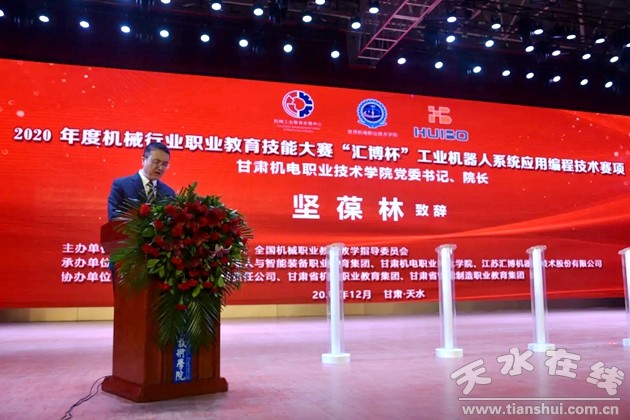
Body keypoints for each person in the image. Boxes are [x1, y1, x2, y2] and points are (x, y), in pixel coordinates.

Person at [107, 142, 176, 221]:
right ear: (143, 160)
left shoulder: (169, 193)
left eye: (164, 164)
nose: (160, 168)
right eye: (156, 162)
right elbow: (113, 218)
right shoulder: (121, 185)